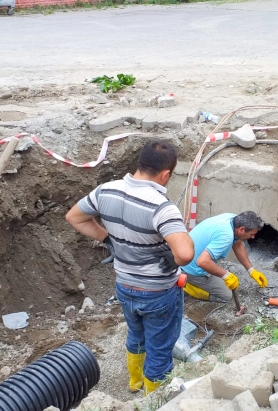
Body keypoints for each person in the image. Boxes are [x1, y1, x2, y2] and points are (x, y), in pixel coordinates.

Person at [65, 140, 194, 396]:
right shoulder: (161, 207)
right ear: (166, 174)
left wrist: (108, 239)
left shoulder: (106, 191)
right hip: (158, 292)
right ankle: (152, 399)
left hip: (124, 286)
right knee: (159, 347)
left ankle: (135, 382)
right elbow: (185, 253)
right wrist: (175, 259)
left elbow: (74, 217)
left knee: (136, 335)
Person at [181, 211, 269, 302]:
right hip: (190, 267)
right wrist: (226, 275)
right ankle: (186, 286)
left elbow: (237, 245)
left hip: (183, 255)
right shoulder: (226, 236)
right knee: (225, 296)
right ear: (242, 229)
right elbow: (202, 262)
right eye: (252, 234)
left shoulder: (233, 219)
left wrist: (251, 270)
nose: (253, 237)